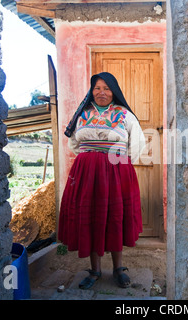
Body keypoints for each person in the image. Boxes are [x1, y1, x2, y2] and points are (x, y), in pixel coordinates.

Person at [58, 72, 146, 289]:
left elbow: (137, 143)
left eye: (106, 88)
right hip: (86, 175)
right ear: (92, 91)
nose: (101, 92)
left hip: (116, 172)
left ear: (113, 91)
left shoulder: (124, 114)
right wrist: (91, 159)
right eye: (97, 88)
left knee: (115, 217)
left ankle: (118, 268)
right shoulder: (83, 114)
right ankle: (95, 270)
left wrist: (120, 164)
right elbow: (74, 144)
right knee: (91, 217)